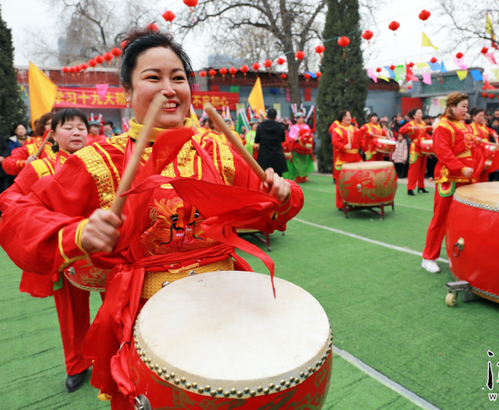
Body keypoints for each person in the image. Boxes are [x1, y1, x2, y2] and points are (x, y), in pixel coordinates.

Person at [0, 27, 303, 408]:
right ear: (127, 92)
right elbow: (15, 209)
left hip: (227, 302)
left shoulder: (218, 149)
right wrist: (75, 233)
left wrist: (281, 194)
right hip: (147, 315)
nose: (169, 88)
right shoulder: (99, 162)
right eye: (152, 77)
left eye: (178, 78)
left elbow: (271, 209)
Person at [0, 109, 95, 393]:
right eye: (68, 127)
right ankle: (76, 364)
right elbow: (9, 198)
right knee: (70, 313)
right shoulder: (40, 168)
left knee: (115, 309)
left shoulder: (100, 161)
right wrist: (43, 224)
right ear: (52, 134)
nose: (77, 132)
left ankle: (114, 357)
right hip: (66, 253)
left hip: (106, 250)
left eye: (82, 127)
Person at [422, 92, 482, 273]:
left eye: (466, 106)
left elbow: (468, 148)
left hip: (467, 178)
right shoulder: (443, 126)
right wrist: (461, 168)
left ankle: (454, 254)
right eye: (462, 106)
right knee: (440, 218)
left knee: (461, 220)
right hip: (450, 177)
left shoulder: (464, 125)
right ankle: (428, 257)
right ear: (452, 107)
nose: (466, 110)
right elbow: (443, 153)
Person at [332, 110, 362, 209]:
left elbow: (360, 141)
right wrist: (344, 146)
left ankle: (356, 201)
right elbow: (335, 142)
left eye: (349, 116)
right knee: (342, 182)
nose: (348, 118)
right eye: (346, 116)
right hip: (343, 159)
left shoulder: (355, 129)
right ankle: (341, 204)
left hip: (356, 158)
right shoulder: (337, 130)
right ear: (341, 118)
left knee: (357, 181)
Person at [399, 108, 431, 195]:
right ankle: (410, 188)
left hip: (423, 148)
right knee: (413, 170)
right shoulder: (411, 123)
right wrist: (411, 128)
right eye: (419, 113)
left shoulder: (423, 123)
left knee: (422, 169)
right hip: (415, 149)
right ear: (414, 115)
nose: (421, 115)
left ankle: (421, 186)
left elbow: (426, 134)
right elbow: (401, 130)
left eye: (421, 113)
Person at [468, 107, 499, 182]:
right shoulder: (470, 126)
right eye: (480, 116)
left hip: (486, 151)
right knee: (477, 170)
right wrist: (475, 138)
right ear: (474, 116)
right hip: (477, 151)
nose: (482, 118)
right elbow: (467, 135)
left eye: (483, 116)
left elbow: (491, 130)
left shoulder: (483, 126)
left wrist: (494, 134)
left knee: (485, 172)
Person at [255, 108, 288, 176]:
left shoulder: (260, 126)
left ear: (267, 116)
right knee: (278, 179)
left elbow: (256, 140)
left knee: (264, 179)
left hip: (264, 157)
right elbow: (283, 139)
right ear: (276, 117)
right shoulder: (281, 127)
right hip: (277, 157)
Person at [289, 112, 314, 183]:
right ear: (296, 119)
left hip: (305, 148)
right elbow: (291, 135)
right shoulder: (293, 127)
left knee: (305, 162)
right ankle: (298, 177)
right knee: (297, 162)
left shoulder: (306, 126)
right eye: (299, 118)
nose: (300, 119)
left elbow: (309, 135)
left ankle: (304, 176)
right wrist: (297, 139)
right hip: (296, 147)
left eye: (301, 118)